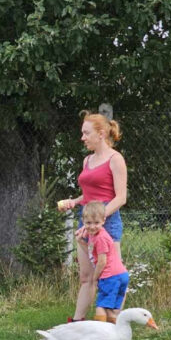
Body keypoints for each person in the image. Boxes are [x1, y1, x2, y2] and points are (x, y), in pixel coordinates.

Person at [57, 111, 127, 321]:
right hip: (87, 220)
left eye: (86, 133)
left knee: (111, 276)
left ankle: (114, 323)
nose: (83, 138)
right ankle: (77, 322)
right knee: (86, 277)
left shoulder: (116, 159)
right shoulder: (88, 160)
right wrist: (75, 202)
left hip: (106, 221)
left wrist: (96, 222)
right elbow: (89, 193)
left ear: (102, 133)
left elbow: (120, 197)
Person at [78, 201, 129, 322]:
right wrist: (81, 242)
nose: (92, 226)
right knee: (110, 308)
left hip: (110, 276)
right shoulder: (94, 234)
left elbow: (102, 261)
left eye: (96, 223)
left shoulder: (100, 237)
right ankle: (113, 328)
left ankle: (102, 332)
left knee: (101, 305)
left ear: (104, 221)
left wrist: (95, 277)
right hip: (119, 275)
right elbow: (92, 252)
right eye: (88, 223)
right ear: (83, 222)